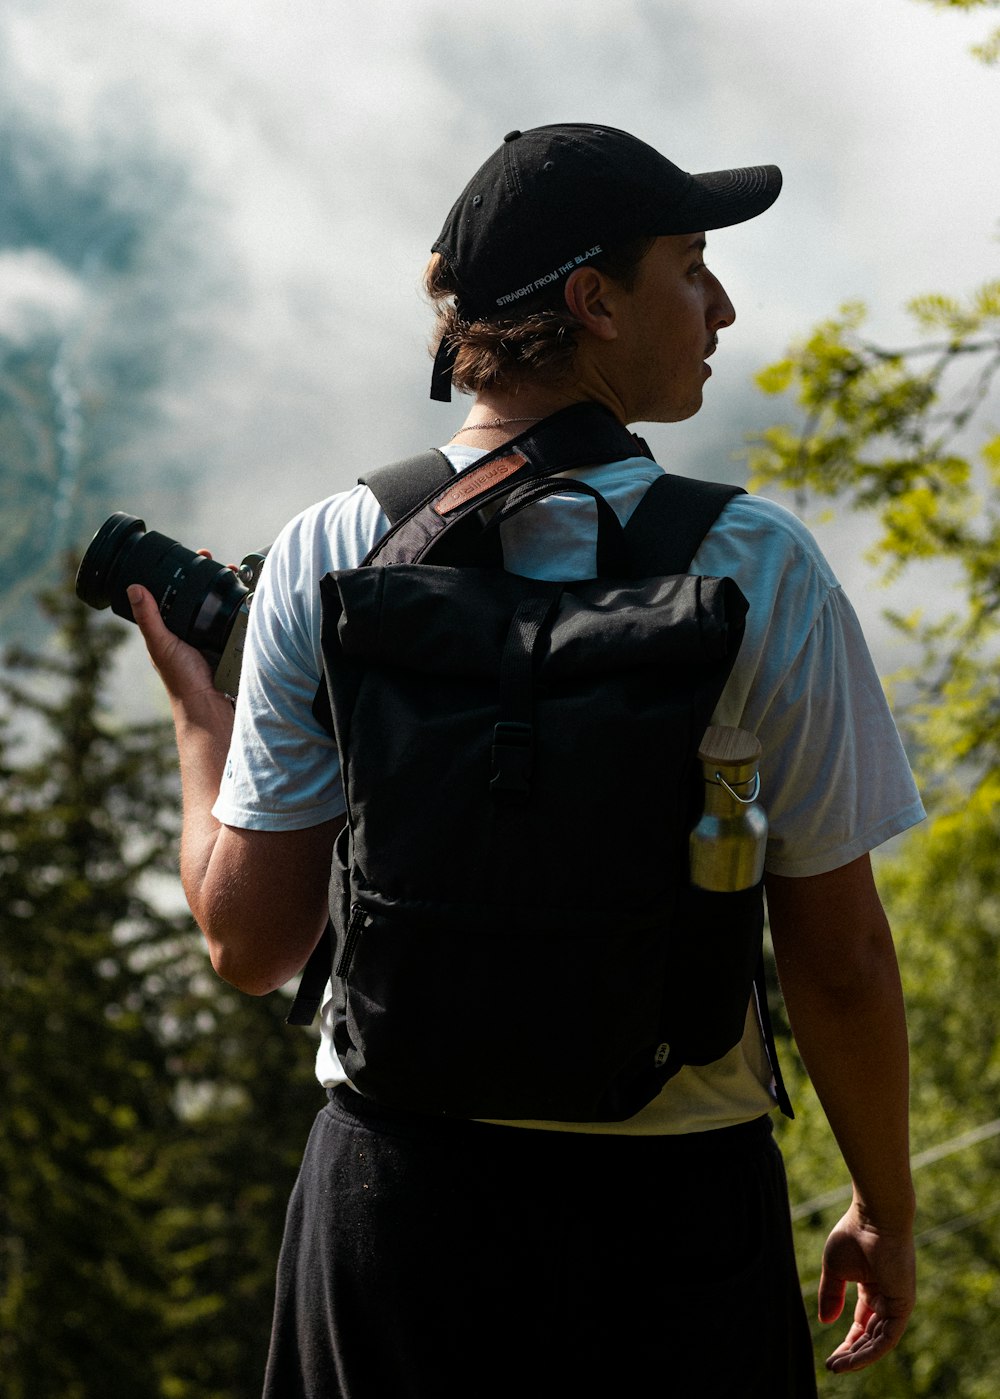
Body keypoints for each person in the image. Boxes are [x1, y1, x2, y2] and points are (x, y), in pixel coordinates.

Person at [129, 124, 923, 1397]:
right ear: (592, 303)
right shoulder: (756, 566)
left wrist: (197, 725)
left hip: (393, 1216)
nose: (719, 303)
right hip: (673, 1228)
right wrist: (882, 1204)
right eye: (689, 266)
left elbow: (250, 944)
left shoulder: (329, 549)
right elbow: (838, 957)